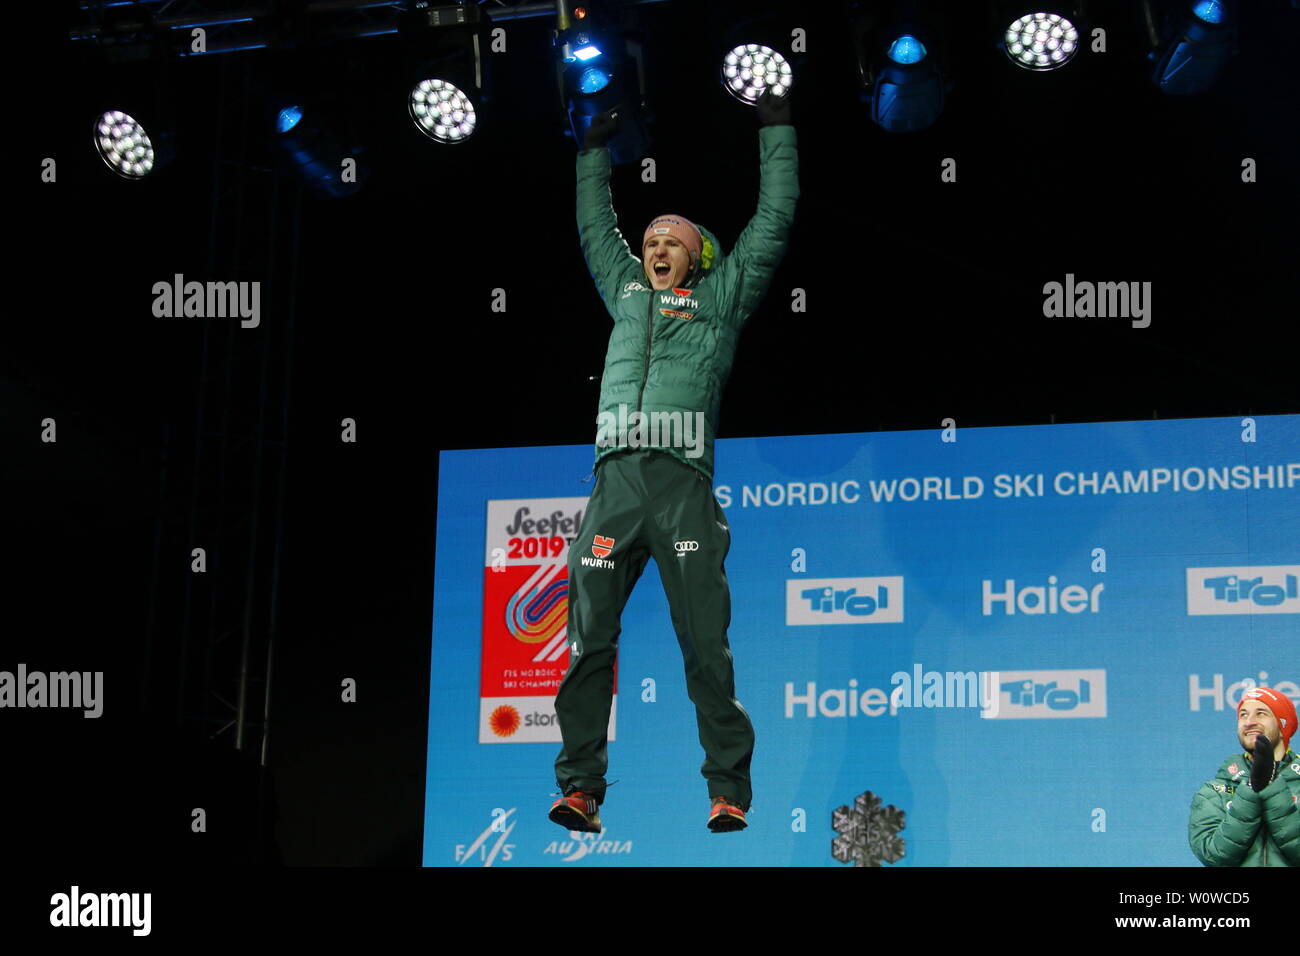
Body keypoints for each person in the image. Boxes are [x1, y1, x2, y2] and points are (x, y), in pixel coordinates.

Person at [548, 90, 798, 834]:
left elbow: (773, 223)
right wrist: (592, 152)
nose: (656, 248)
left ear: (699, 257)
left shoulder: (720, 300)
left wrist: (777, 129)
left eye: (672, 240)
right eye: (651, 238)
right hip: (614, 482)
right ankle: (581, 789)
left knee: (703, 647)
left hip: (682, 485)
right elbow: (597, 227)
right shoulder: (626, 294)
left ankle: (728, 790)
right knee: (588, 640)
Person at [1188, 685, 1300, 866]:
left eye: (1261, 713)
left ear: (1283, 725)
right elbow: (1214, 854)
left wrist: (1272, 788)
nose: (1249, 722)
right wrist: (1251, 790)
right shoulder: (1214, 792)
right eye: (1243, 715)